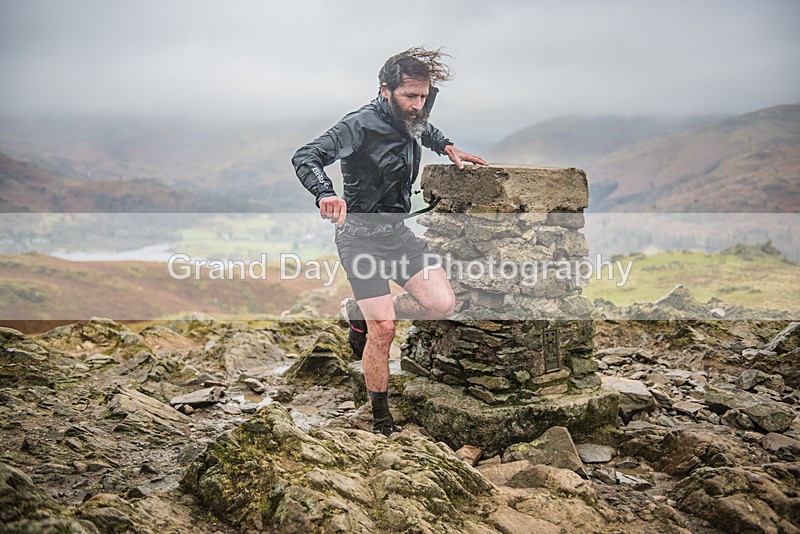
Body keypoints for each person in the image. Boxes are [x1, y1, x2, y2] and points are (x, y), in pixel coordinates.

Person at [292, 47, 487, 436]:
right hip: (359, 237)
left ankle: (360, 312)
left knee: (441, 303)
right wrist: (325, 193)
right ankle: (381, 418)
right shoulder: (359, 125)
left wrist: (447, 146)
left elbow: (422, 128)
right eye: (410, 97)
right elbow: (306, 155)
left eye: (423, 96)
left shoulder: (413, 114)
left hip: (397, 233)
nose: (418, 105)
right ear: (385, 90)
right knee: (385, 329)